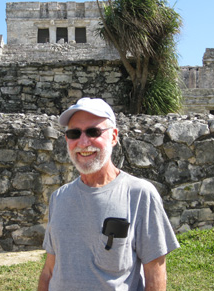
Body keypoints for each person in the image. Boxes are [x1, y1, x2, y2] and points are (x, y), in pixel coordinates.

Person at [38, 97, 179, 291]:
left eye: (93, 131)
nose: (83, 142)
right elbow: (49, 271)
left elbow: (155, 276)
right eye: (74, 133)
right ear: (66, 140)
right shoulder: (59, 198)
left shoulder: (140, 195)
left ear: (113, 137)